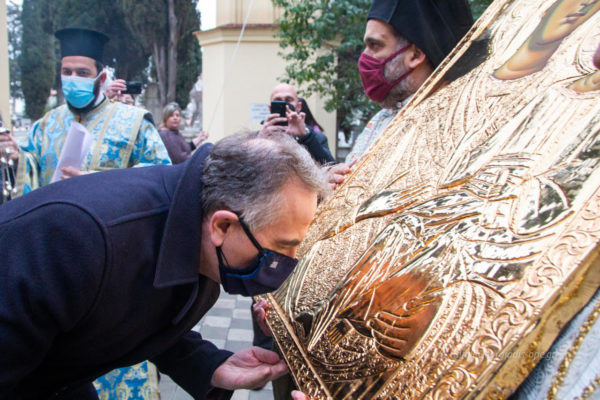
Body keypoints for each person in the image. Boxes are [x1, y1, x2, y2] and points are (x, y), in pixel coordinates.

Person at [0, 130, 331, 399]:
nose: (287, 262)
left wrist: (208, 364)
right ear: (223, 226)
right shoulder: (82, 240)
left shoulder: (196, 224)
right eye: (281, 246)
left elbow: (140, 310)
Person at [0, 28, 171, 197]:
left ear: (101, 79)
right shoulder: (46, 123)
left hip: (109, 215)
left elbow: (160, 174)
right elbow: (30, 165)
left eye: (82, 73)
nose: (73, 78)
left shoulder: (135, 122)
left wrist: (97, 181)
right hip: (52, 215)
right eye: (67, 72)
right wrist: (17, 158)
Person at [328, 0, 474, 188]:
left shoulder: (458, 124)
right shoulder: (382, 118)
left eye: (375, 45)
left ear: (415, 55)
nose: (364, 57)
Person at [260, 83, 335, 165]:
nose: (284, 105)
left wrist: (306, 138)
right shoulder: (261, 136)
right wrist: (261, 140)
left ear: (299, 106)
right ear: (270, 108)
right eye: (278, 100)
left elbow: (331, 166)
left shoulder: (317, 138)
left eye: (289, 100)